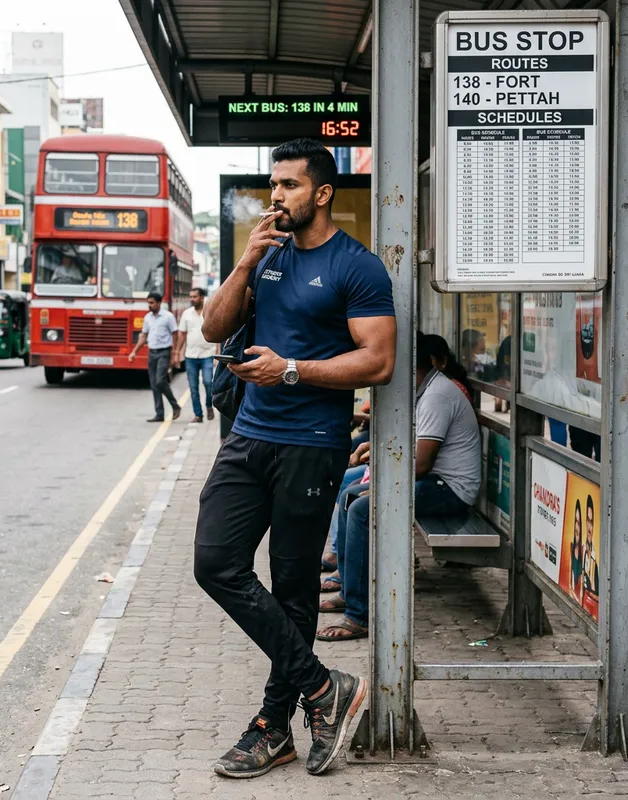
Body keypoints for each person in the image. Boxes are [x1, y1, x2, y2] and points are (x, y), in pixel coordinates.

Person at [193, 138, 396, 779]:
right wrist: (245, 265)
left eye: (289, 185)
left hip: (312, 443)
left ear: (323, 193)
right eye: (273, 185)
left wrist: (290, 371)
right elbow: (212, 329)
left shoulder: (356, 268)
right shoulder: (268, 256)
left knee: (295, 587)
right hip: (250, 437)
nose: (276, 196)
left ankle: (273, 725)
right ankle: (323, 686)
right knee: (215, 562)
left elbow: (379, 361)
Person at [318, 332, 481, 640]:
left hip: (449, 489)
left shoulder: (436, 396)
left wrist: (382, 484)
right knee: (352, 490)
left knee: (363, 509)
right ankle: (348, 582)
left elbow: (420, 464)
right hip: (433, 481)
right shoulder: (424, 389)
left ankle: (359, 615)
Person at [128, 292, 181, 422]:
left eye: (152, 303)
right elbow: (143, 336)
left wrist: (175, 353)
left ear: (159, 303)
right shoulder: (147, 318)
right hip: (152, 353)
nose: (149, 305)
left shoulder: (168, 317)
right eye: (148, 303)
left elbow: (175, 334)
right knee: (154, 384)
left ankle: (175, 406)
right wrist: (134, 351)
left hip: (164, 352)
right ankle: (159, 414)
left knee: (160, 381)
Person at [174, 287, 216, 422]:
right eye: (191, 297)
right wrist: (176, 353)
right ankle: (198, 414)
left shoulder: (210, 312)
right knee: (193, 387)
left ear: (202, 297)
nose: (192, 299)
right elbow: (182, 334)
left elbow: (218, 332)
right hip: (190, 356)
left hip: (208, 354)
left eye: (195, 297)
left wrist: (218, 353)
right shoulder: (186, 314)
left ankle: (209, 405)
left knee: (208, 382)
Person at [570, 500, 584, 603]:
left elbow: (582, 594)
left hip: (578, 601)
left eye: (579, 523)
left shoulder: (583, 552)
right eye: (575, 522)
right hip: (572, 598)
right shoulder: (571, 548)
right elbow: (569, 585)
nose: (576, 527)